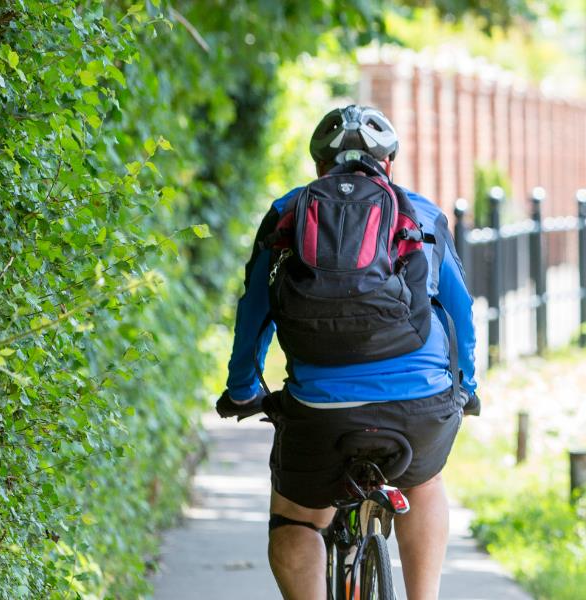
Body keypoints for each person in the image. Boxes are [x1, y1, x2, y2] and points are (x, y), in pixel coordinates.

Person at [215, 105, 479, 600]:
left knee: (296, 522)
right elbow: (460, 310)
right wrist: (467, 387)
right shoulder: (422, 213)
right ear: (389, 163)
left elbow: (254, 312)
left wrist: (243, 390)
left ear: (319, 165)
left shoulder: (288, 212)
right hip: (418, 404)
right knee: (424, 482)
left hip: (321, 410)